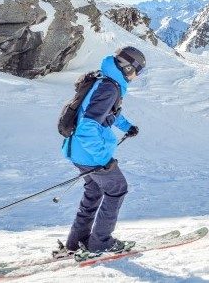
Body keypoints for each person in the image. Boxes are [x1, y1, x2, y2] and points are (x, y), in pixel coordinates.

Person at [57, 46, 146, 258]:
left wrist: (127, 127)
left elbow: (105, 113)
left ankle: (75, 242)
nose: (136, 76)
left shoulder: (103, 80)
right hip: (90, 155)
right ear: (126, 68)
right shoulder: (110, 88)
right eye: (137, 70)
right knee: (117, 188)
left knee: (94, 192)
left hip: (77, 151)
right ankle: (100, 243)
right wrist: (103, 159)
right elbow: (88, 126)